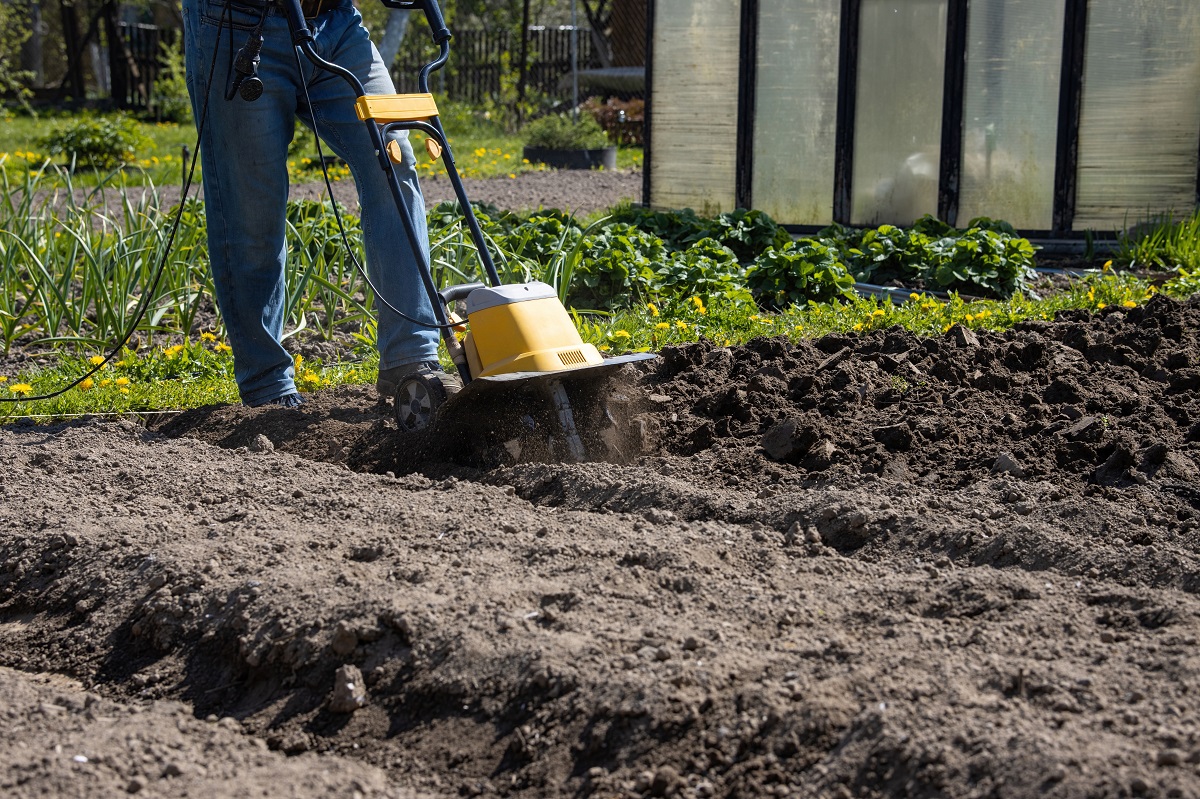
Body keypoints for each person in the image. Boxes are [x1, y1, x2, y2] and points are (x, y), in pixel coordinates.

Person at [182, 0, 456, 407]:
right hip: (239, 24)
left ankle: (411, 359)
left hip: (337, 22)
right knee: (253, 209)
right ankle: (268, 384)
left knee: (393, 159)